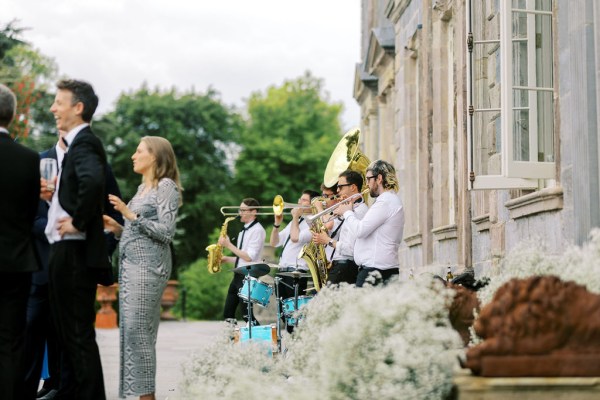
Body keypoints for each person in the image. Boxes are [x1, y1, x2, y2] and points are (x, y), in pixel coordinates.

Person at [23, 128, 123, 400]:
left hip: (80, 267)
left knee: (73, 333)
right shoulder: (36, 162)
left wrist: (102, 248)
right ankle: (24, 390)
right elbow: (25, 212)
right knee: (31, 329)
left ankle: (63, 389)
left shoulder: (99, 166)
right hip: (41, 265)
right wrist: (55, 229)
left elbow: (115, 214)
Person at [42, 79, 109, 399]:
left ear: (77, 108)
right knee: (68, 335)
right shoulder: (77, 144)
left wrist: (78, 220)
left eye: (59, 102)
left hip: (72, 252)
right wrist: (55, 194)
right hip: (67, 252)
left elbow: (94, 181)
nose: (53, 108)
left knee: (77, 335)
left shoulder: (84, 143)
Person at [103, 136, 182, 400]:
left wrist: (129, 215)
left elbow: (166, 232)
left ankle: (147, 397)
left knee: (139, 333)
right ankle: (132, 395)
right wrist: (117, 229)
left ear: (155, 157)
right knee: (129, 333)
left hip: (150, 267)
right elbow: (137, 229)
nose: (133, 156)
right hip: (130, 268)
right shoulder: (141, 189)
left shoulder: (166, 186)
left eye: (139, 151)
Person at [0, 83, 41, 400]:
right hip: (16, 261)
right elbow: (30, 215)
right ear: (13, 116)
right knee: (11, 340)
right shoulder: (29, 159)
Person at [334, 160, 404, 287]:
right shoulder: (386, 200)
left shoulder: (385, 202)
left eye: (368, 179)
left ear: (379, 178)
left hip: (376, 271)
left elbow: (360, 230)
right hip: (377, 269)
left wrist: (347, 212)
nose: (366, 185)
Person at [270, 189, 319, 331]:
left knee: (295, 315)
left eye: (303, 200)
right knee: (283, 313)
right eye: (299, 199)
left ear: (312, 204)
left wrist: (295, 218)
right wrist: (276, 224)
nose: (298, 202)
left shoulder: (312, 223)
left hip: (296, 273)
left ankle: (296, 342)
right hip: (282, 272)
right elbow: (274, 242)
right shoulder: (296, 221)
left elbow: (294, 237)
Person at [313, 170, 368, 285]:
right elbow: (327, 224)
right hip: (340, 265)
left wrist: (327, 240)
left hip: (345, 266)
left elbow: (350, 250)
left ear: (353, 187)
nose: (337, 191)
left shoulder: (360, 211)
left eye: (340, 187)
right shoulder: (348, 208)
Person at [219, 198, 266, 325]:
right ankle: (231, 341)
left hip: (248, 276)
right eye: (240, 210)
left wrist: (228, 245)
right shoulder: (244, 230)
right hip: (238, 275)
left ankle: (259, 342)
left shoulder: (257, 230)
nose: (240, 213)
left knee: (247, 315)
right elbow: (243, 258)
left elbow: (249, 258)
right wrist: (227, 259)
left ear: (254, 212)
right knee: (228, 314)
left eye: (243, 210)